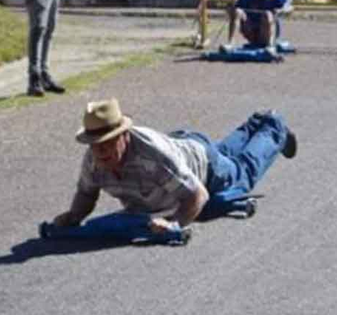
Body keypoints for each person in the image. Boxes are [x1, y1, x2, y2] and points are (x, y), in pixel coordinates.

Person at [51, 99, 298, 234]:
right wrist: (73, 216)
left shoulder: (152, 157)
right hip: (183, 148)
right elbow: (87, 193)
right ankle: (258, 122)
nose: (101, 151)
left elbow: (198, 195)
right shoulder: (93, 160)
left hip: (204, 166)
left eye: (107, 143)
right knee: (226, 154)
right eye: (95, 145)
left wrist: (175, 224)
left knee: (242, 172)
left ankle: (274, 127)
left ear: (124, 136)